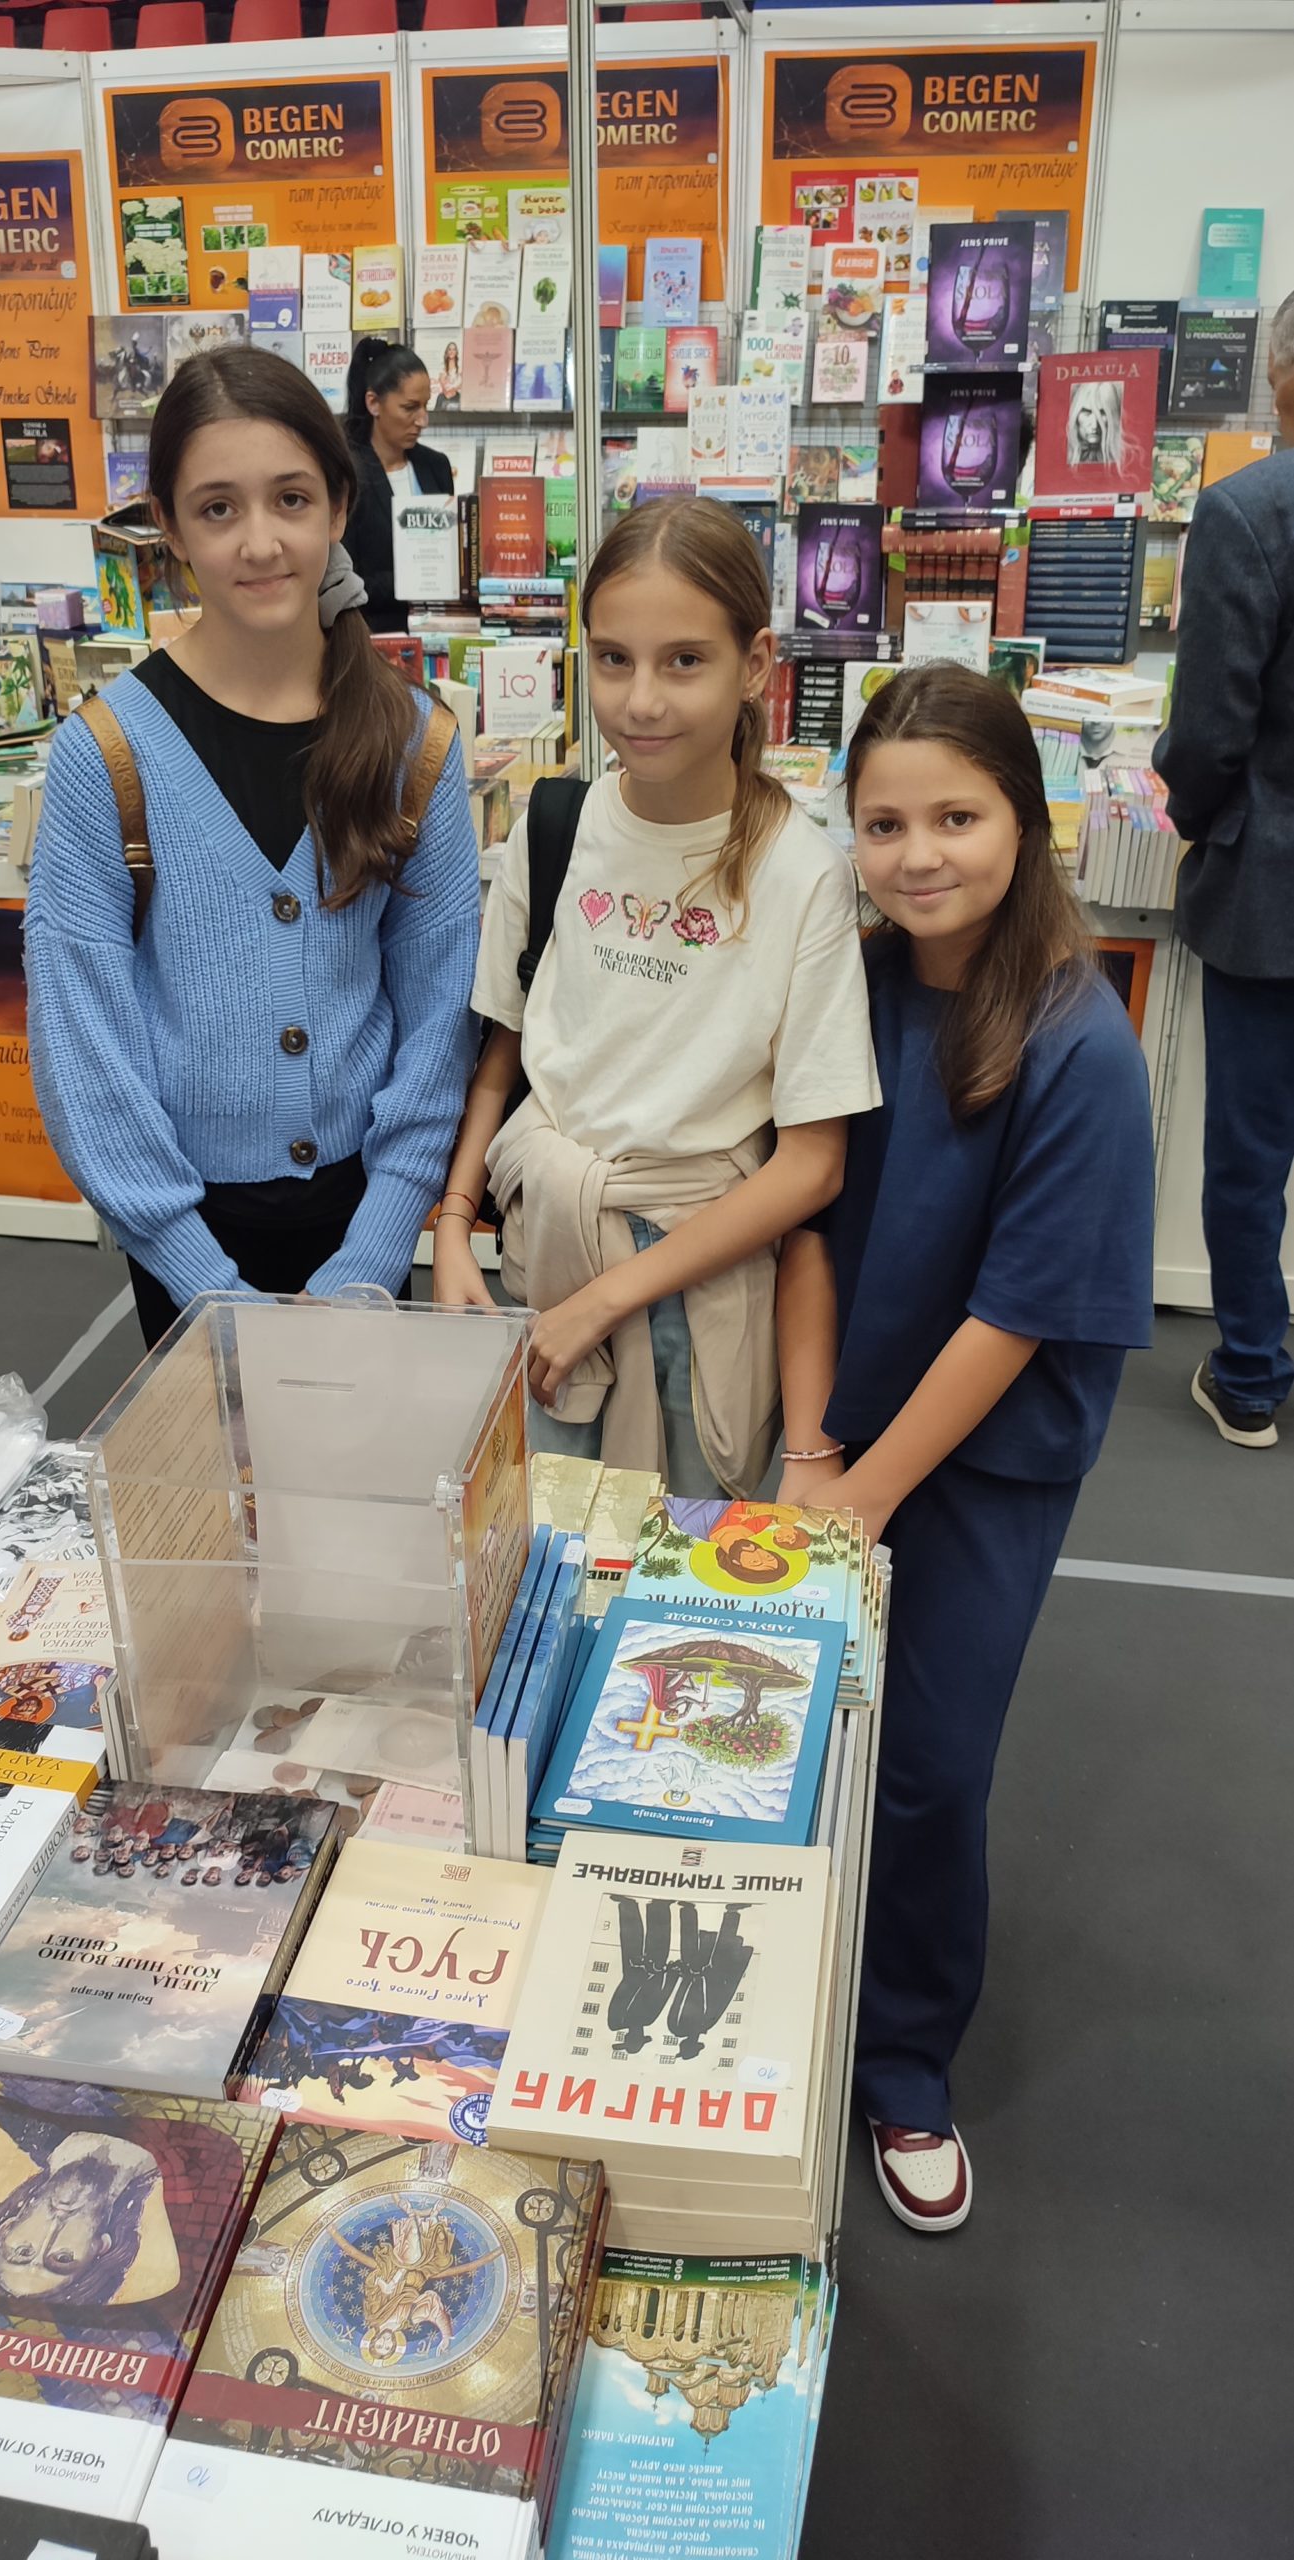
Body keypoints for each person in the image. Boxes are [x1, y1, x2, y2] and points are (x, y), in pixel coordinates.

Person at [777, 665, 1154, 2233]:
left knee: (930, 1767)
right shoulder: (850, 985)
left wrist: (864, 1495)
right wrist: (811, 1443)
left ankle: (905, 2063)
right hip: (841, 1428)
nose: (918, 854)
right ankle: (778, 2003)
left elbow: (1012, 1317)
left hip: (983, 1463)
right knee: (781, 1735)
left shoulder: (1078, 1043)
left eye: (956, 817)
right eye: (883, 824)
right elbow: (806, 1211)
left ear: (1028, 819)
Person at [25, 346, 479, 1350]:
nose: (261, 542)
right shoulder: (107, 753)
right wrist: (204, 1284)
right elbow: (83, 1041)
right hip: (184, 1238)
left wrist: (372, 1255)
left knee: (362, 1450)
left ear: (338, 504)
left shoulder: (415, 742)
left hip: (365, 1224)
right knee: (212, 1455)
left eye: (291, 499)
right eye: (218, 508)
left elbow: (439, 1016)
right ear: (169, 526)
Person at [434, 497, 880, 1497]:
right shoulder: (556, 824)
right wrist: (455, 1221)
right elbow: (503, 1049)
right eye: (613, 659)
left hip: (696, 1276)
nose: (641, 700)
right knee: (539, 1536)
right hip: (544, 1243)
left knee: (676, 1552)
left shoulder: (801, 874)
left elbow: (812, 1163)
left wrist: (612, 1299)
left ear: (754, 664)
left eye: (684, 661)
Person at [1152, 288, 1294, 1449]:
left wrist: (1196, 817)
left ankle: (1249, 1375)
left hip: (1270, 892)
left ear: (1282, 376)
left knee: (1249, 1149)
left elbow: (1207, 729)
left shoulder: (1248, 510)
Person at [341, 338, 454, 635]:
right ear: (373, 403)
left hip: (439, 632)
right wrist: (416, 580)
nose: (423, 420)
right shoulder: (348, 474)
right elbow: (346, 580)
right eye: (410, 408)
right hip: (374, 635)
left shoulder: (436, 466)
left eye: (426, 406)